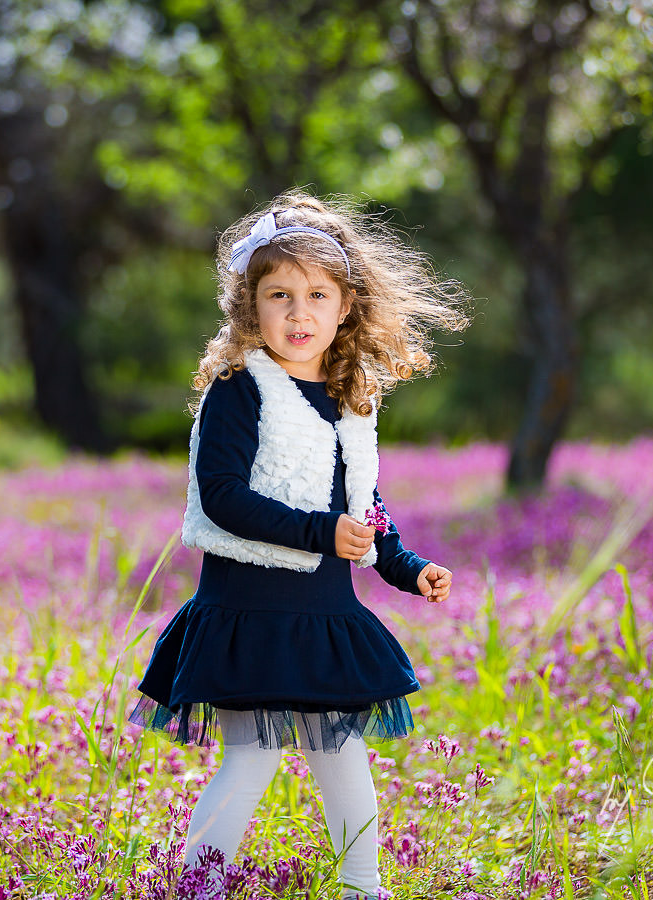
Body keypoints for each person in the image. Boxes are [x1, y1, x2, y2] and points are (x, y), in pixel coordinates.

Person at [128, 190, 469, 900]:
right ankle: (199, 888)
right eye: (278, 294)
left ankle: (363, 888)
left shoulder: (351, 399)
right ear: (249, 306)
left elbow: (363, 514)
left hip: (322, 619)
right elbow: (221, 494)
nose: (298, 312)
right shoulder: (238, 389)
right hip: (248, 616)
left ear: (346, 305)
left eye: (317, 294)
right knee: (251, 755)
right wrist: (320, 532)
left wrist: (409, 569)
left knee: (345, 760)